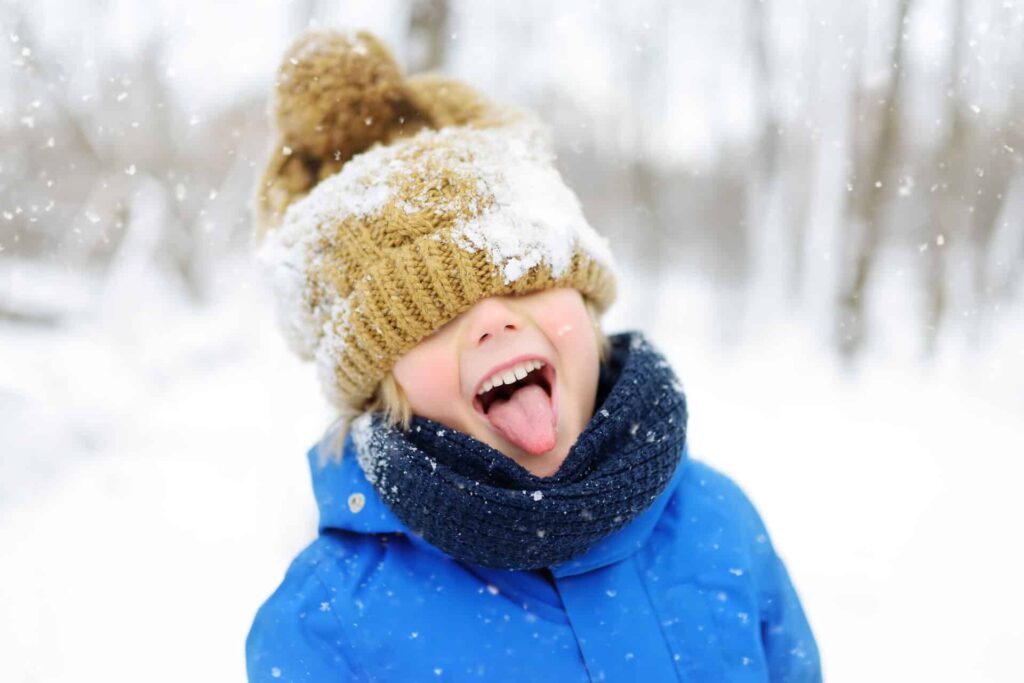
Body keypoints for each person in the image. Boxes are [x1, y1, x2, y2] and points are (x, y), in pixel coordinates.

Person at [246, 28, 821, 683]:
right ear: (379, 384)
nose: (493, 319)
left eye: (522, 276)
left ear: (586, 299)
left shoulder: (717, 522)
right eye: (432, 316)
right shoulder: (330, 621)